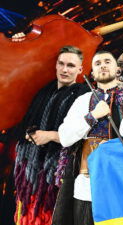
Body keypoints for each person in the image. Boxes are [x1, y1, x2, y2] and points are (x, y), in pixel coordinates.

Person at [53, 50, 123, 225]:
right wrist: (93, 115)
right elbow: (65, 137)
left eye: (107, 61)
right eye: (97, 63)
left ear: (117, 69)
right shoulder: (83, 100)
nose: (102, 65)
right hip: (86, 185)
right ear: (92, 73)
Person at [13, 46, 87, 225]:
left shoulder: (83, 93)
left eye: (71, 65)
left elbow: (84, 130)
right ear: (55, 65)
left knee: (52, 216)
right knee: (26, 216)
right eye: (61, 64)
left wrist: (52, 135)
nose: (65, 69)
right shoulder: (45, 90)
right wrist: (30, 134)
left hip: (57, 174)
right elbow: (27, 122)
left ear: (80, 69)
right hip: (30, 171)